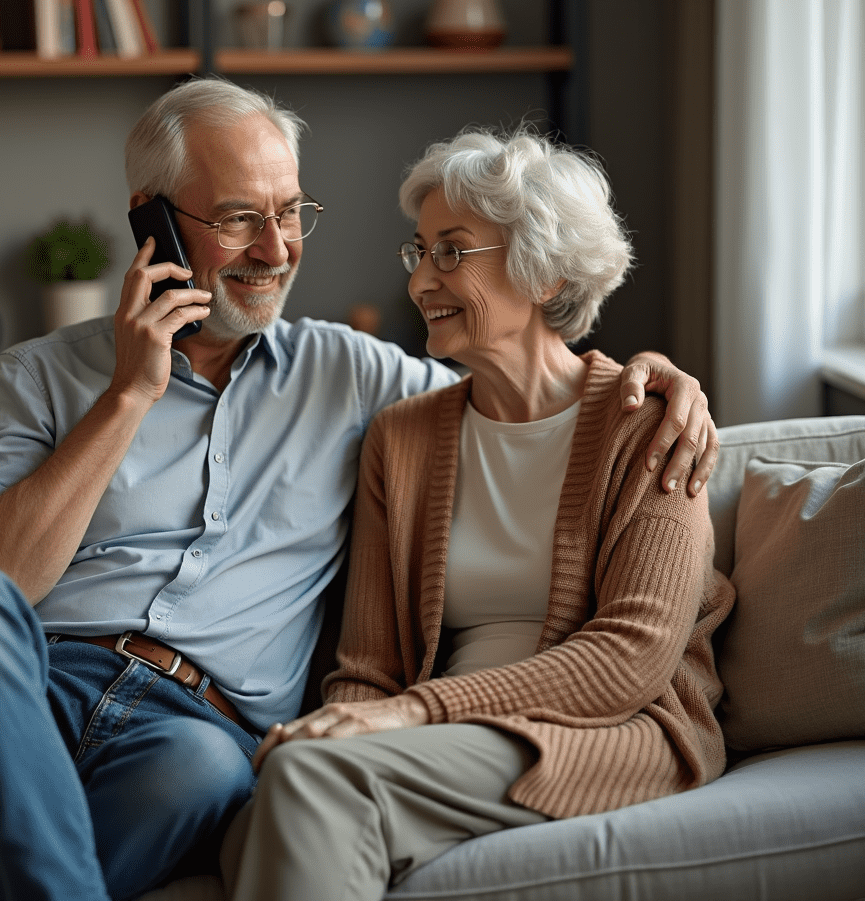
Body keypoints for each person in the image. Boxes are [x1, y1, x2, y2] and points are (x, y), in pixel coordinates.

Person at [0, 78, 718, 901]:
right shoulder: (37, 377)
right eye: (241, 218)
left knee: (204, 772)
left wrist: (657, 376)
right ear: (153, 222)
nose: (276, 250)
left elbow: (520, 381)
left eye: (290, 214)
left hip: (180, 739)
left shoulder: (360, 380)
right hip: (11, 703)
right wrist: (130, 393)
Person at [221, 127, 736, 901]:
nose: (421, 280)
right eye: (418, 252)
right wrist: (347, 725)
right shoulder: (401, 438)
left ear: (543, 270)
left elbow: (632, 656)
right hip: (443, 735)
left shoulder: (649, 424)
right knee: (269, 801)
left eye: (451, 252)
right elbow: (368, 667)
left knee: (307, 788)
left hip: (611, 731)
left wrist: (413, 714)